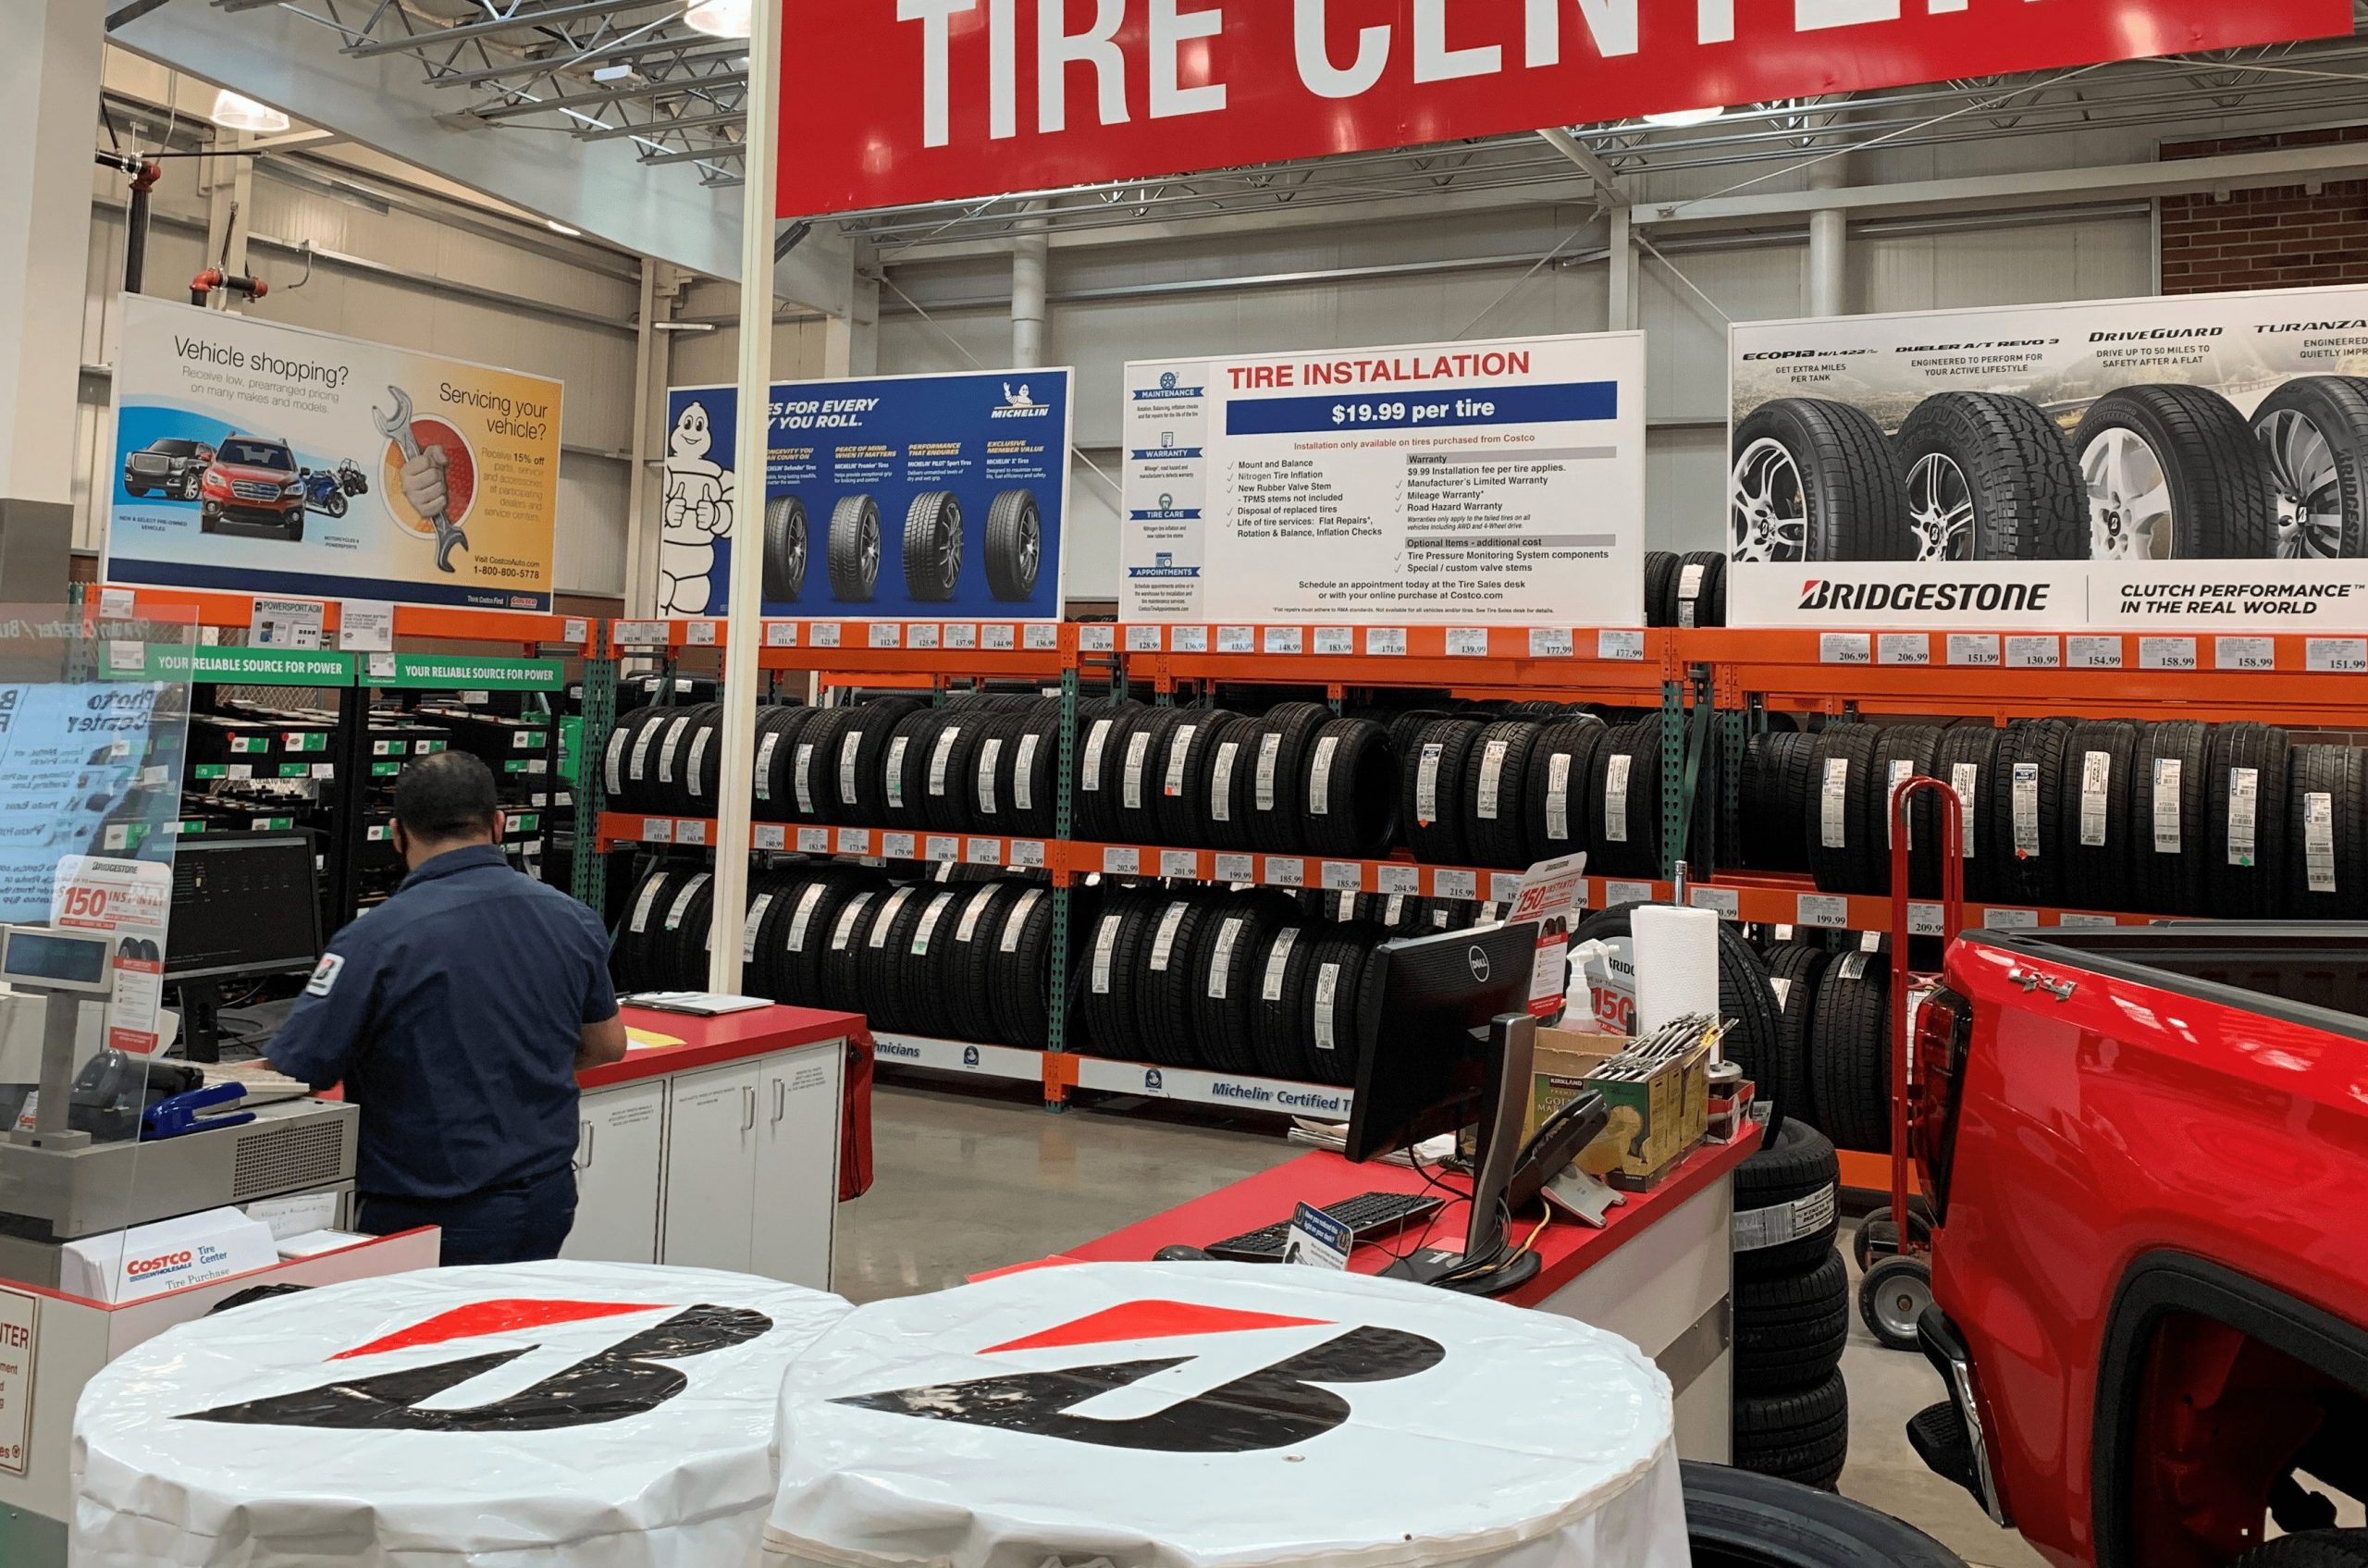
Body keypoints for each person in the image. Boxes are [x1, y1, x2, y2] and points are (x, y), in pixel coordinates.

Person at [269, 751, 627, 1265]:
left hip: (429, 1216)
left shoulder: (375, 940)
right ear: (498, 825)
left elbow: (296, 1071)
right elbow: (609, 1046)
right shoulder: (573, 919)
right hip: (547, 1200)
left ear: (397, 835)